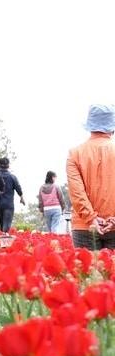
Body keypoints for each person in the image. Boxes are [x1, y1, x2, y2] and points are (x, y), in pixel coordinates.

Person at [67, 104, 115, 250]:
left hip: (84, 227)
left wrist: (91, 218)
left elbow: (77, 193)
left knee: (86, 272)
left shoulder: (74, 154)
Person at [0, 157, 24, 233]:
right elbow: (18, 188)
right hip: (8, 204)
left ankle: (2, 240)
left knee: (2, 224)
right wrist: (21, 197)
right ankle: (5, 240)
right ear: (8, 165)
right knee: (7, 224)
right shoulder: (12, 177)